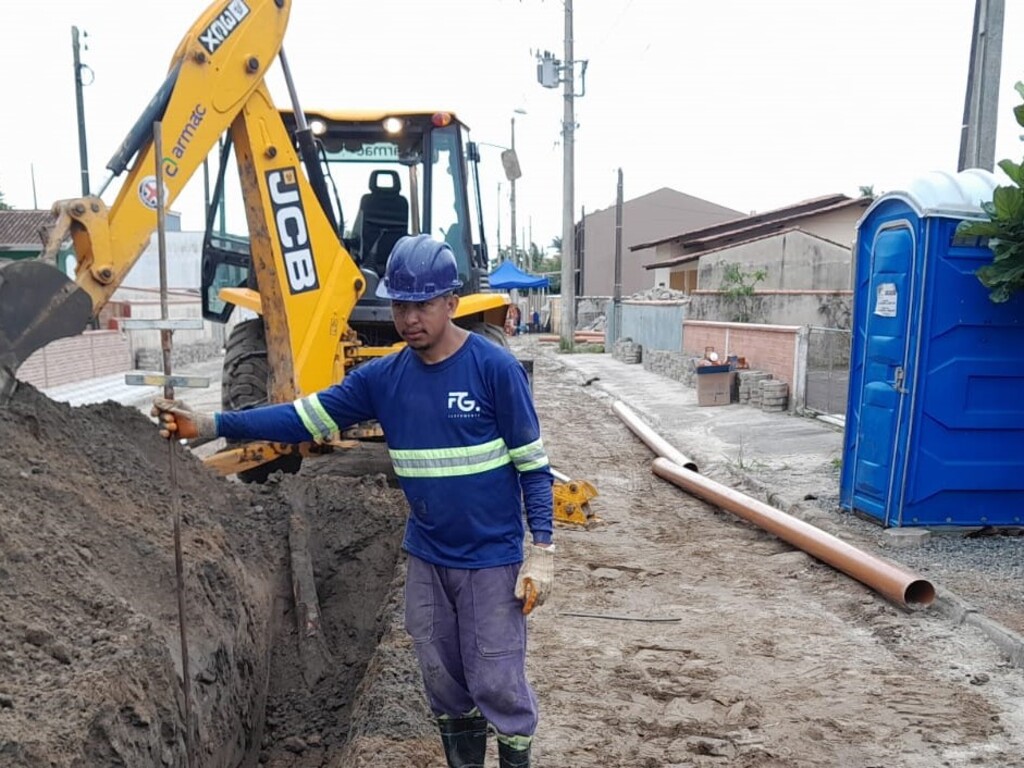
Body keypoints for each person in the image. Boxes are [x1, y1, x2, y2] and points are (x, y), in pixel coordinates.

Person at [153, 234, 554, 768]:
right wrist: (210, 423)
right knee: (442, 680)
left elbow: (532, 463)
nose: (409, 318)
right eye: (400, 304)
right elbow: (300, 417)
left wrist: (543, 548)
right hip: (428, 557)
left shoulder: (493, 369)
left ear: (451, 304)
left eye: (422, 304)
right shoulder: (384, 378)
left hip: (490, 558)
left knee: (495, 678)